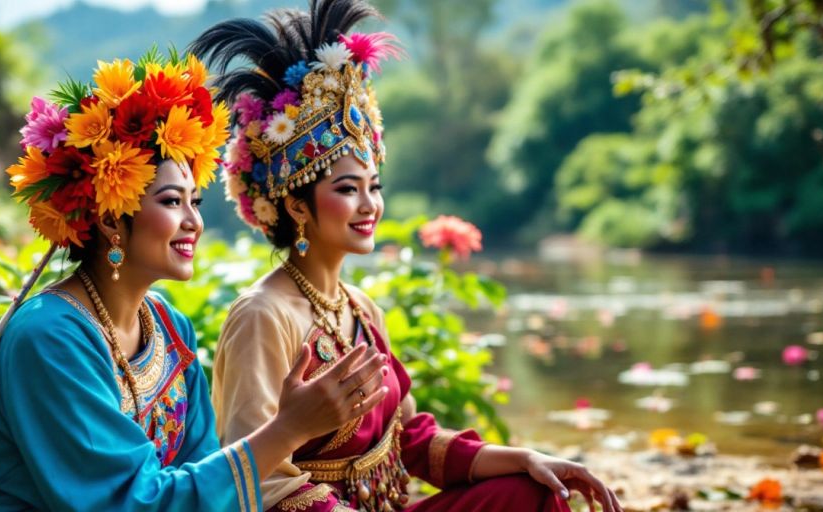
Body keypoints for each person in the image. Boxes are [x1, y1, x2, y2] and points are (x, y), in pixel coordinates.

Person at [190, 1, 624, 510]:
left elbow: (408, 439)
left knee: (529, 491)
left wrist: (522, 457)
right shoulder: (262, 317)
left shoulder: (361, 309)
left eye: (374, 186)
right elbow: (259, 481)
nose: (369, 204)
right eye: (348, 189)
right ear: (295, 205)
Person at [0, 48, 387, 511]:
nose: (194, 222)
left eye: (195, 201)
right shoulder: (49, 338)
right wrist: (288, 430)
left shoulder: (169, 327)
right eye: (173, 202)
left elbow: (201, 477)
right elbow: (128, 504)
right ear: (112, 221)